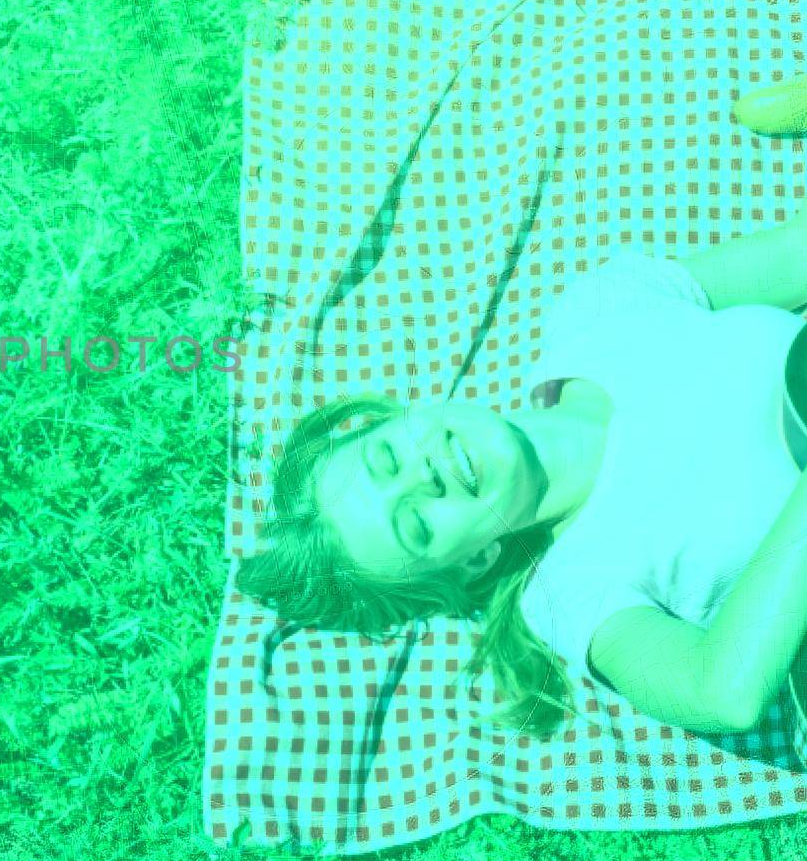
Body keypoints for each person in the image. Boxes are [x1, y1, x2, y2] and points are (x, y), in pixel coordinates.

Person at [236, 217, 807, 742]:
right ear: (473, 561)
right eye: (416, 525)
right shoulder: (575, 587)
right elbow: (722, 692)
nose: (424, 477)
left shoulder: (597, 313)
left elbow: (794, 255)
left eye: (389, 457)